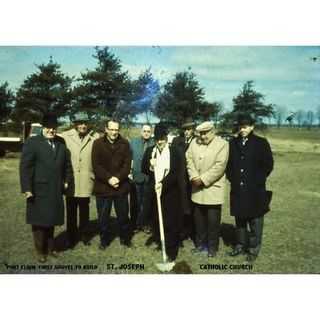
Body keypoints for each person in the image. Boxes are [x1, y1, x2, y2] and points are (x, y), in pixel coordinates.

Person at [19, 113, 72, 263]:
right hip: (38, 189)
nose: (51, 131)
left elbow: (67, 165)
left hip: (56, 188)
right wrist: (27, 188)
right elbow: (25, 167)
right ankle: (40, 250)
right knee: (39, 222)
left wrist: (67, 181)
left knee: (52, 219)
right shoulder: (33, 142)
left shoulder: (61, 142)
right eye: (49, 127)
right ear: (43, 127)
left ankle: (51, 248)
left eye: (54, 128)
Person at [226, 114, 273, 262]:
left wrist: (257, 181)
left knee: (255, 221)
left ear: (252, 127)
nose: (242, 129)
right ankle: (240, 245)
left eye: (245, 126)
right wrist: (233, 178)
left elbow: (268, 165)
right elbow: (229, 166)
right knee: (240, 220)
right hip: (238, 189)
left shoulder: (261, 143)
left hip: (255, 190)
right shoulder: (232, 143)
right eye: (240, 127)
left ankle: (253, 250)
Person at [141, 123, 186, 262]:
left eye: (163, 139)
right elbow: (143, 168)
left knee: (171, 221)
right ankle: (161, 242)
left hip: (171, 192)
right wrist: (150, 165)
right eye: (158, 139)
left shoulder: (175, 151)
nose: (160, 142)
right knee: (156, 219)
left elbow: (176, 172)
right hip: (155, 192)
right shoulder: (150, 151)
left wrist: (163, 184)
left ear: (166, 138)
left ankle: (172, 250)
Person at [186, 121, 229, 258]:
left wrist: (203, 179)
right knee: (199, 221)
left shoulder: (223, 144)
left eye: (205, 133)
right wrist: (193, 176)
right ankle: (200, 245)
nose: (202, 136)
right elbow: (189, 160)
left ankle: (212, 248)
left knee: (212, 222)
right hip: (196, 189)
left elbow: (220, 166)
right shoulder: (194, 143)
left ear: (213, 131)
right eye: (201, 133)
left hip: (212, 189)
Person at [92, 119, 132, 249]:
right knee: (103, 217)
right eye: (112, 129)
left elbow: (127, 165)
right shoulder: (97, 143)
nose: (114, 132)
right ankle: (104, 241)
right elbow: (96, 165)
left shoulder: (125, 144)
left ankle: (125, 239)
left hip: (120, 187)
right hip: (103, 187)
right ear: (106, 129)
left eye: (116, 129)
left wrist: (118, 178)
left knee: (123, 216)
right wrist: (109, 178)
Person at [61, 113, 99, 249]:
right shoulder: (65, 136)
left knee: (84, 211)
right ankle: (71, 238)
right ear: (75, 124)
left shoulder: (93, 139)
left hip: (86, 181)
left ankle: (84, 236)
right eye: (80, 123)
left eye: (85, 123)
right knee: (71, 212)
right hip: (71, 182)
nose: (83, 126)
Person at [171, 117, 196, 243]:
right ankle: (180, 230)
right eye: (185, 129)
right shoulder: (176, 141)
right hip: (179, 179)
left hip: (192, 180)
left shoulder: (197, 141)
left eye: (189, 129)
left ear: (193, 130)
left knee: (191, 206)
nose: (187, 132)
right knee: (179, 205)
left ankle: (191, 230)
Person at [129, 124, 154, 233]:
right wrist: (129, 173)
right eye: (144, 131)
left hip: (149, 178)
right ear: (141, 131)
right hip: (136, 177)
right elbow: (129, 158)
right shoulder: (133, 142)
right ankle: (134, 224)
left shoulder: (154, 143)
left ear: (151, 132)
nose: (146, 133)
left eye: (148, 131)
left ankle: (146, 224)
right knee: (135, 202)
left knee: (147, 202)